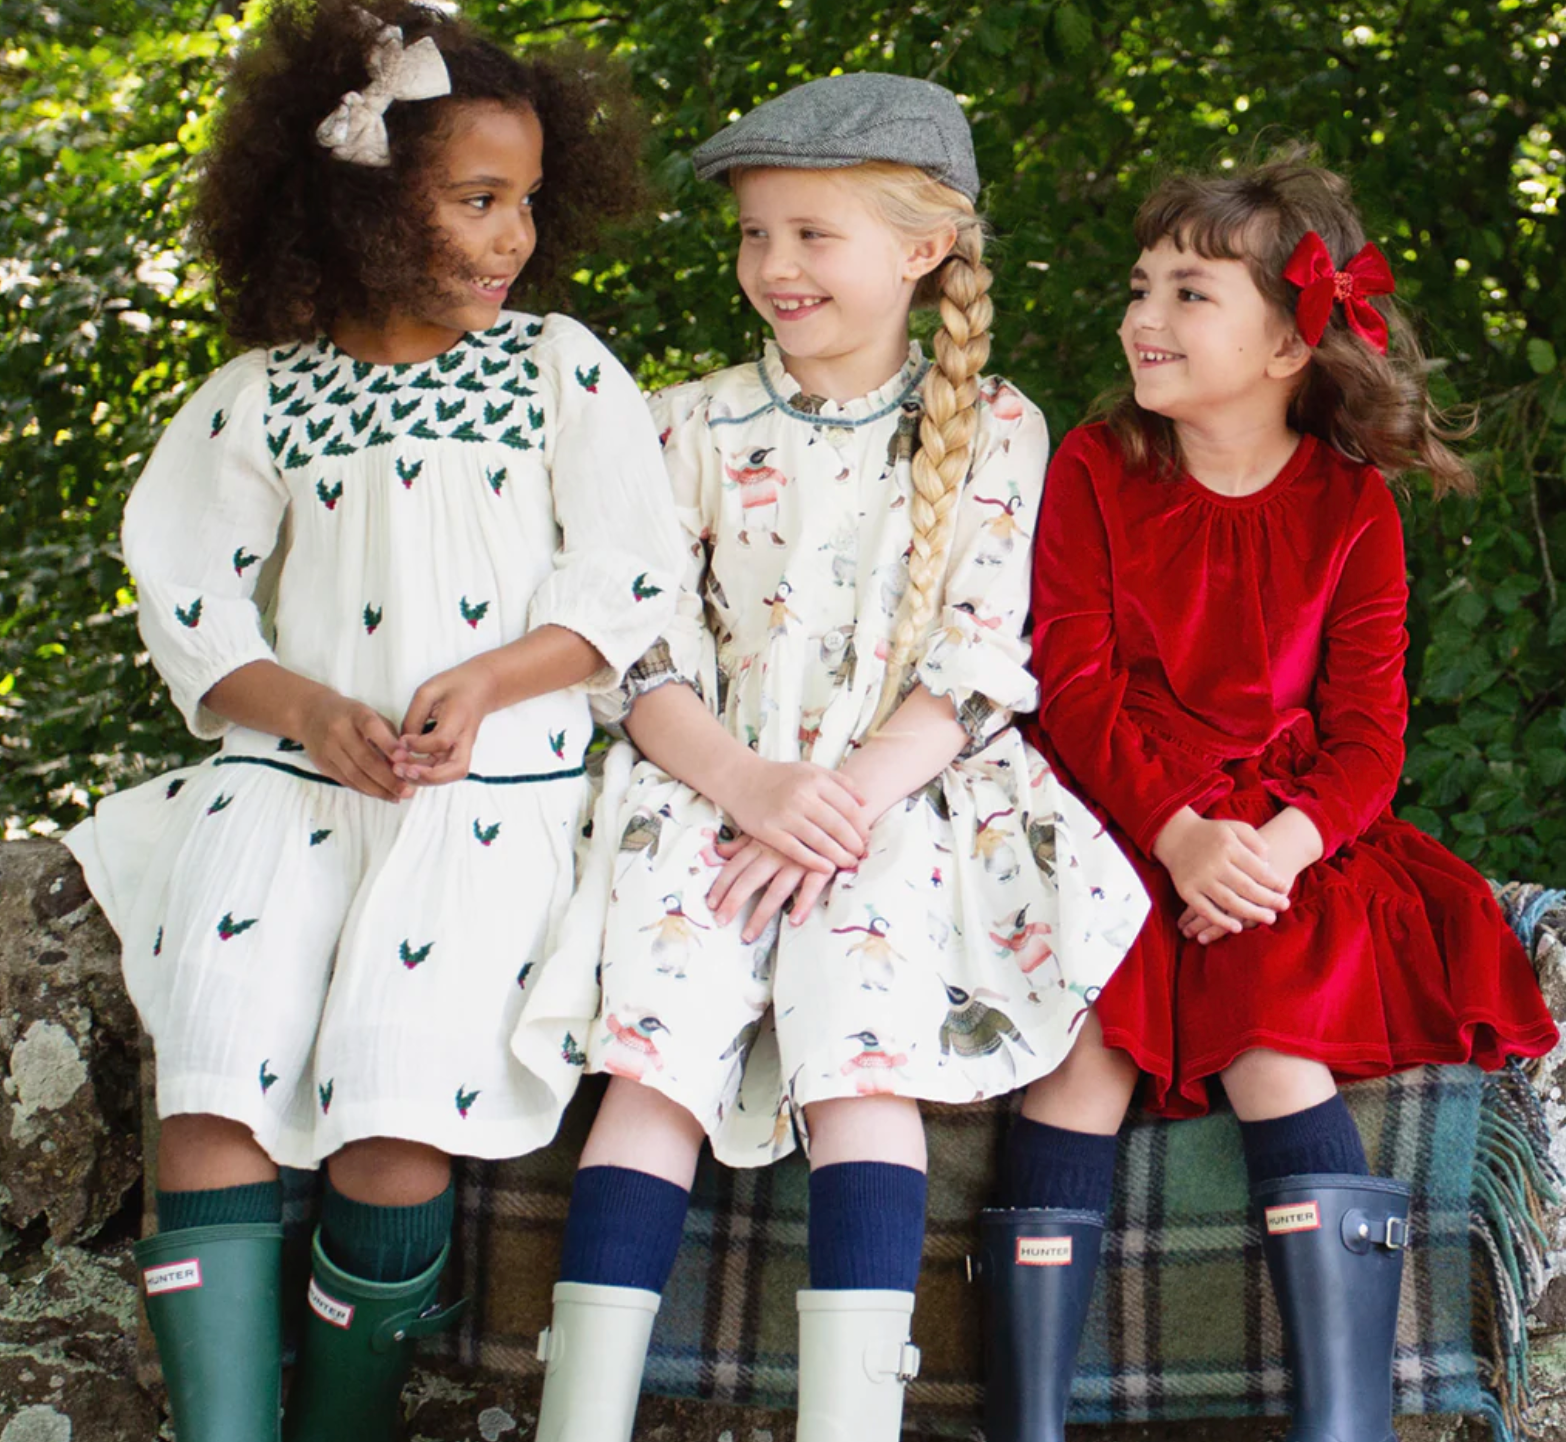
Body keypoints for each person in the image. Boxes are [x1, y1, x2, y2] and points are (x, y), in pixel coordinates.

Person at [61, 4, 683, 1438]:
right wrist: (304, 708)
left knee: (397, 1103)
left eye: (526, 200)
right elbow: (190, 599)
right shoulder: (262, 399)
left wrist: (495, 676)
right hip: (284, 786)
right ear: (362, 201)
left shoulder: (557, 370)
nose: (514, 233)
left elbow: (626, 574)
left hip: (486, 799)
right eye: (477, 200)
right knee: (212, 1071)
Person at [511, 72, 1148, 1442]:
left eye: (811, 233)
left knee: (861, 1053)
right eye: (754, 235)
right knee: (653, 1054)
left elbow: (979, 667)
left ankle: (848, 1423)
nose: (773, 265)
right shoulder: (678, 424)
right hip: (706, 786)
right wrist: (749, 787)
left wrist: (837, 800)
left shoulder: (997, 428)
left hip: (895, 798)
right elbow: (634, 653)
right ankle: (579, 1418)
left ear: (922, 250)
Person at [976, 150, 1561, 1442]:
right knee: (1077, 1056)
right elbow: (1071, 686)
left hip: (1289, 840)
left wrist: (1271, 851)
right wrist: (1177, 832)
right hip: (1118, 813)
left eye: (1188, 293)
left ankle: (1341, 1419)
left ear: (1292, 340)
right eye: (1140, 286)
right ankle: (1022, 1421)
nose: (1142, 317)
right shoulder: (1093, 465)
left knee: (1268, 1031)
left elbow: (1366, 736)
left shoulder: (1351, 506)